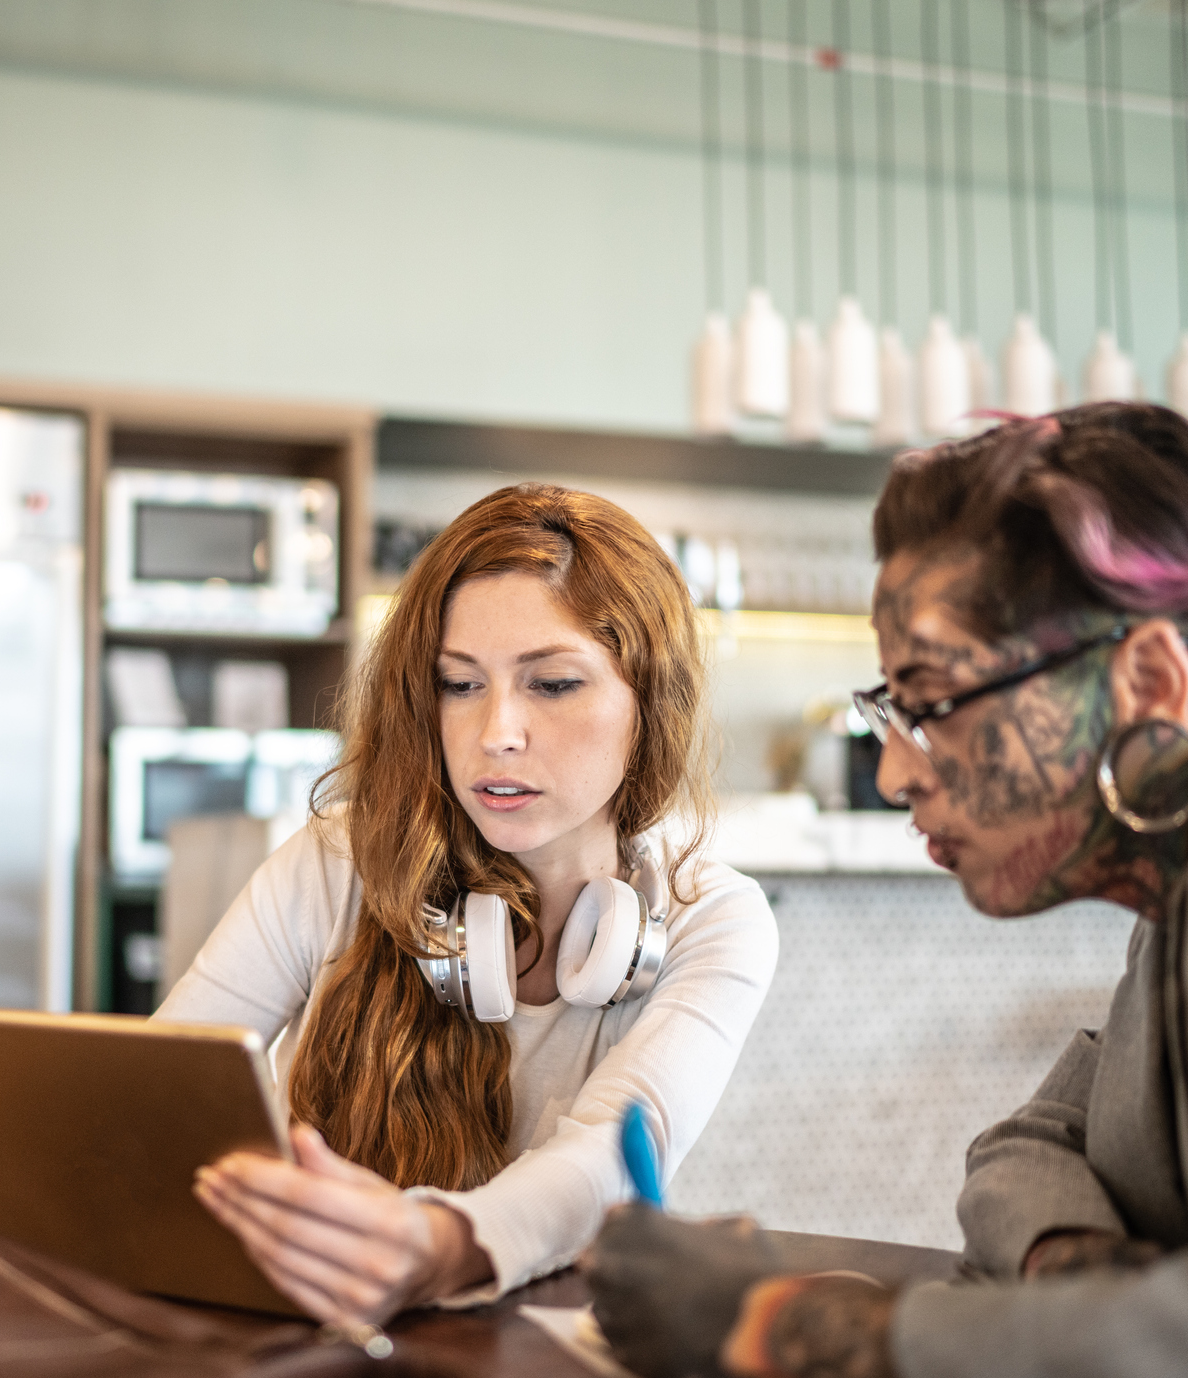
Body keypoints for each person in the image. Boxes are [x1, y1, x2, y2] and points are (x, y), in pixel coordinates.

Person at [590, 403, 1188, 1378]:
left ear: (1149, 680)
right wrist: (1111, 1284)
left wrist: (770, 1323)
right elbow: (1026, 1146)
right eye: (887, 711)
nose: (898, 769)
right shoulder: (1186, 885)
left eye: (931, 700)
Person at [159, 482, 779, 1326]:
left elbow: (606, 1157)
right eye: (459, 685)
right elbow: (165, 1083)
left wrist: (434, 1247)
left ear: (650, 704)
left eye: (552, 684)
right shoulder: (338, 863)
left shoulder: (714, 920)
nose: (496, 733)